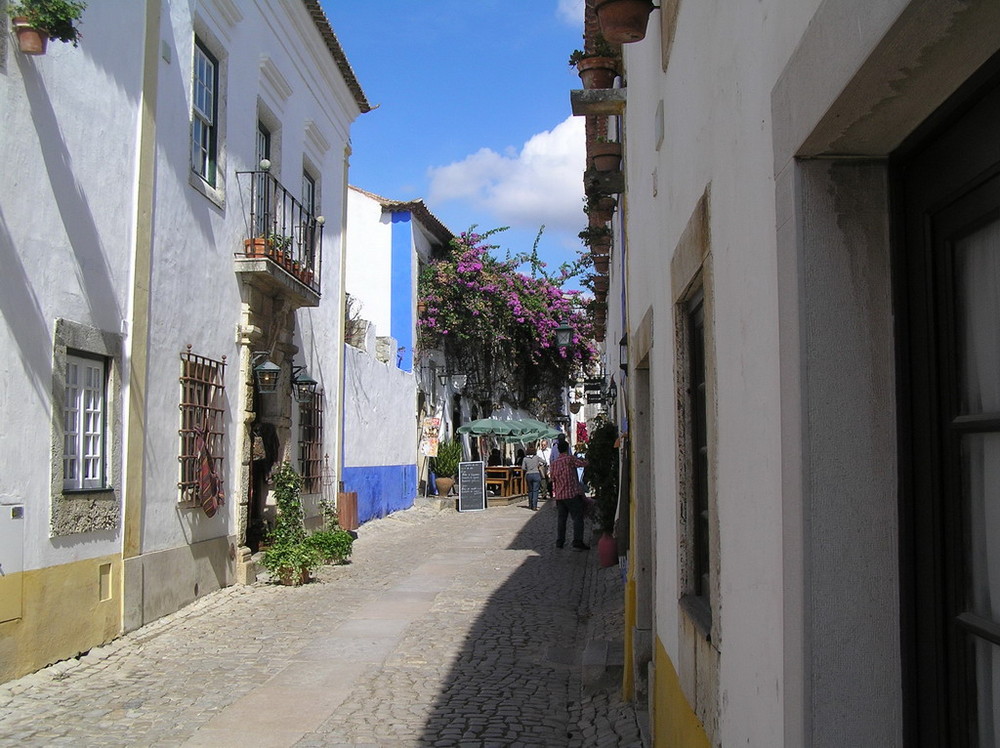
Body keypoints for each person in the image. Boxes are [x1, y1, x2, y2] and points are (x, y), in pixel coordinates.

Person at [548, 439, 590, 550]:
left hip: (560, 496)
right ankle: (577, 541)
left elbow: (552, 478)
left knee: (562, 520)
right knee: (577, 518)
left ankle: (560, 541)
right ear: (567, 449)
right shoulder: (570, 459)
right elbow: (583, 464)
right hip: (571, 494)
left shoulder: (554, 463)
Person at [521, 445, 547, 511]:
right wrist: (540, 466)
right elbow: (545, 462)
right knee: (535, 491)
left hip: (528, 475)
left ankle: (530, 505)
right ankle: (534, 506)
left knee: (530, 490)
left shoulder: (525, 459)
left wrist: (528, 468)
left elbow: (523, 468)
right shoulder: (536, 457)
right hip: (536, 474)